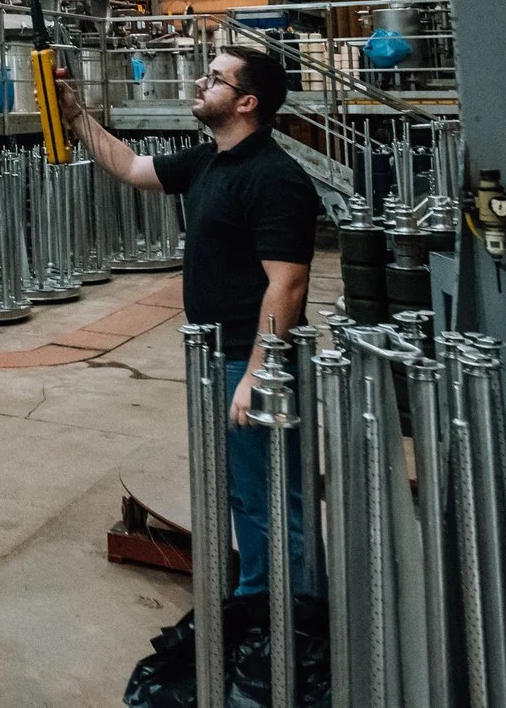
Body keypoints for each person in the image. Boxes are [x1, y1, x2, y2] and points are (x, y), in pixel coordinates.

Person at [58, 47, 320, 600]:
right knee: (241, 494)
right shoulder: (208, 162)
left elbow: (287, 284)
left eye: (215, 79)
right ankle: (258, 607)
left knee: (269, 497)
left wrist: (258, 374)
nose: (200, 83)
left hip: (249, 362)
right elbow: (130, 166)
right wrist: (76, 114)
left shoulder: (276, 179)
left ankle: (287, 627)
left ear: (246, 102)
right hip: (214, 357)